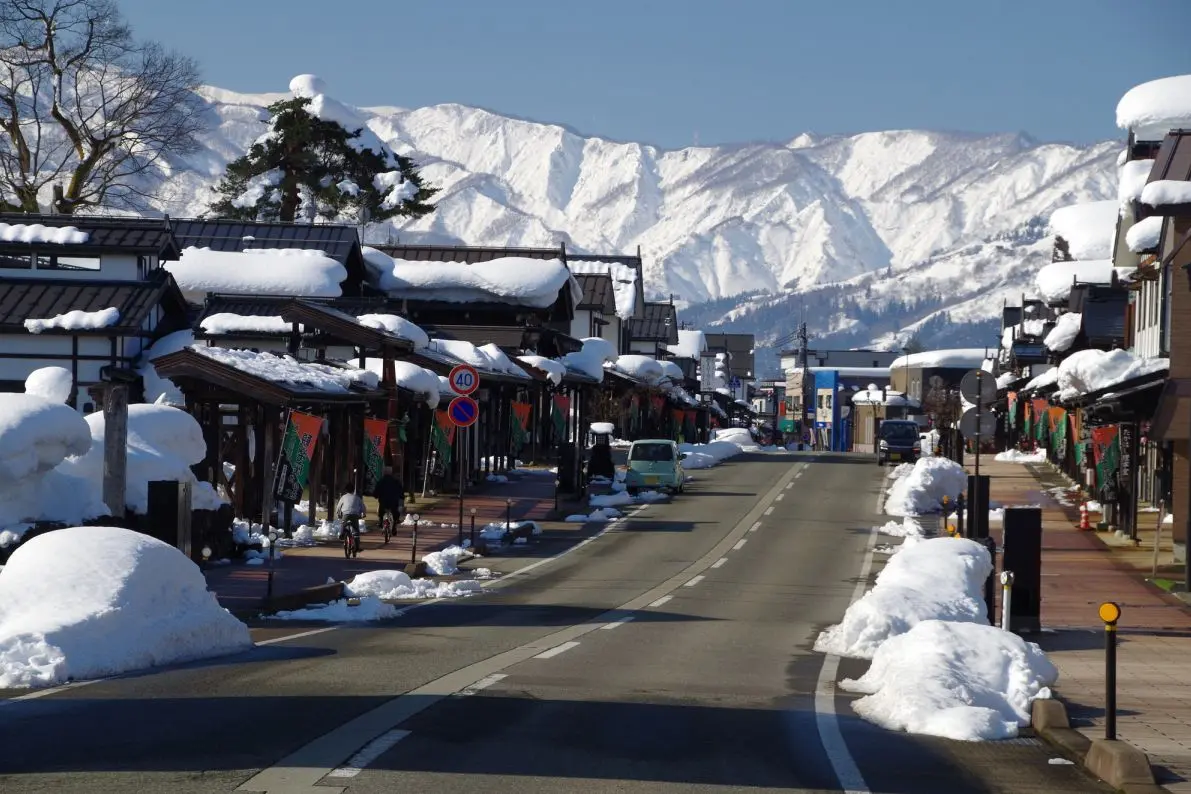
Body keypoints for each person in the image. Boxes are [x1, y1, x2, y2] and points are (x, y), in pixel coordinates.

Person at [335, 485, 366, 551]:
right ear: (353, 490)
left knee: (343, 523)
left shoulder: (343, 497)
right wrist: (363, 514)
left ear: (346, 490)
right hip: (355, 515)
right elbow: (363, 507)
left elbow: (338, 507)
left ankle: (342, 534)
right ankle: (357, 547)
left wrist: (338, 514)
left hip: (345, 514)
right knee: (356, 531)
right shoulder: (357, 497)